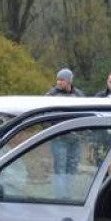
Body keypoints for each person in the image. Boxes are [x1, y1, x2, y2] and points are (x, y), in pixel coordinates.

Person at [45, 68, 84, 199]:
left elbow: (86, 112)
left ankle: (68, 195)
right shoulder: (51, 95)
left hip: (75, 138)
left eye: (62, 80)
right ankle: (59, 197)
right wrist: (52, 127)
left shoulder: (79, 95)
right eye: (58, 79)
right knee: (60, 168)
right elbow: (43, 114)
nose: (58, 82)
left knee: (72, 167)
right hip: (59, 137)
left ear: (68, 81)